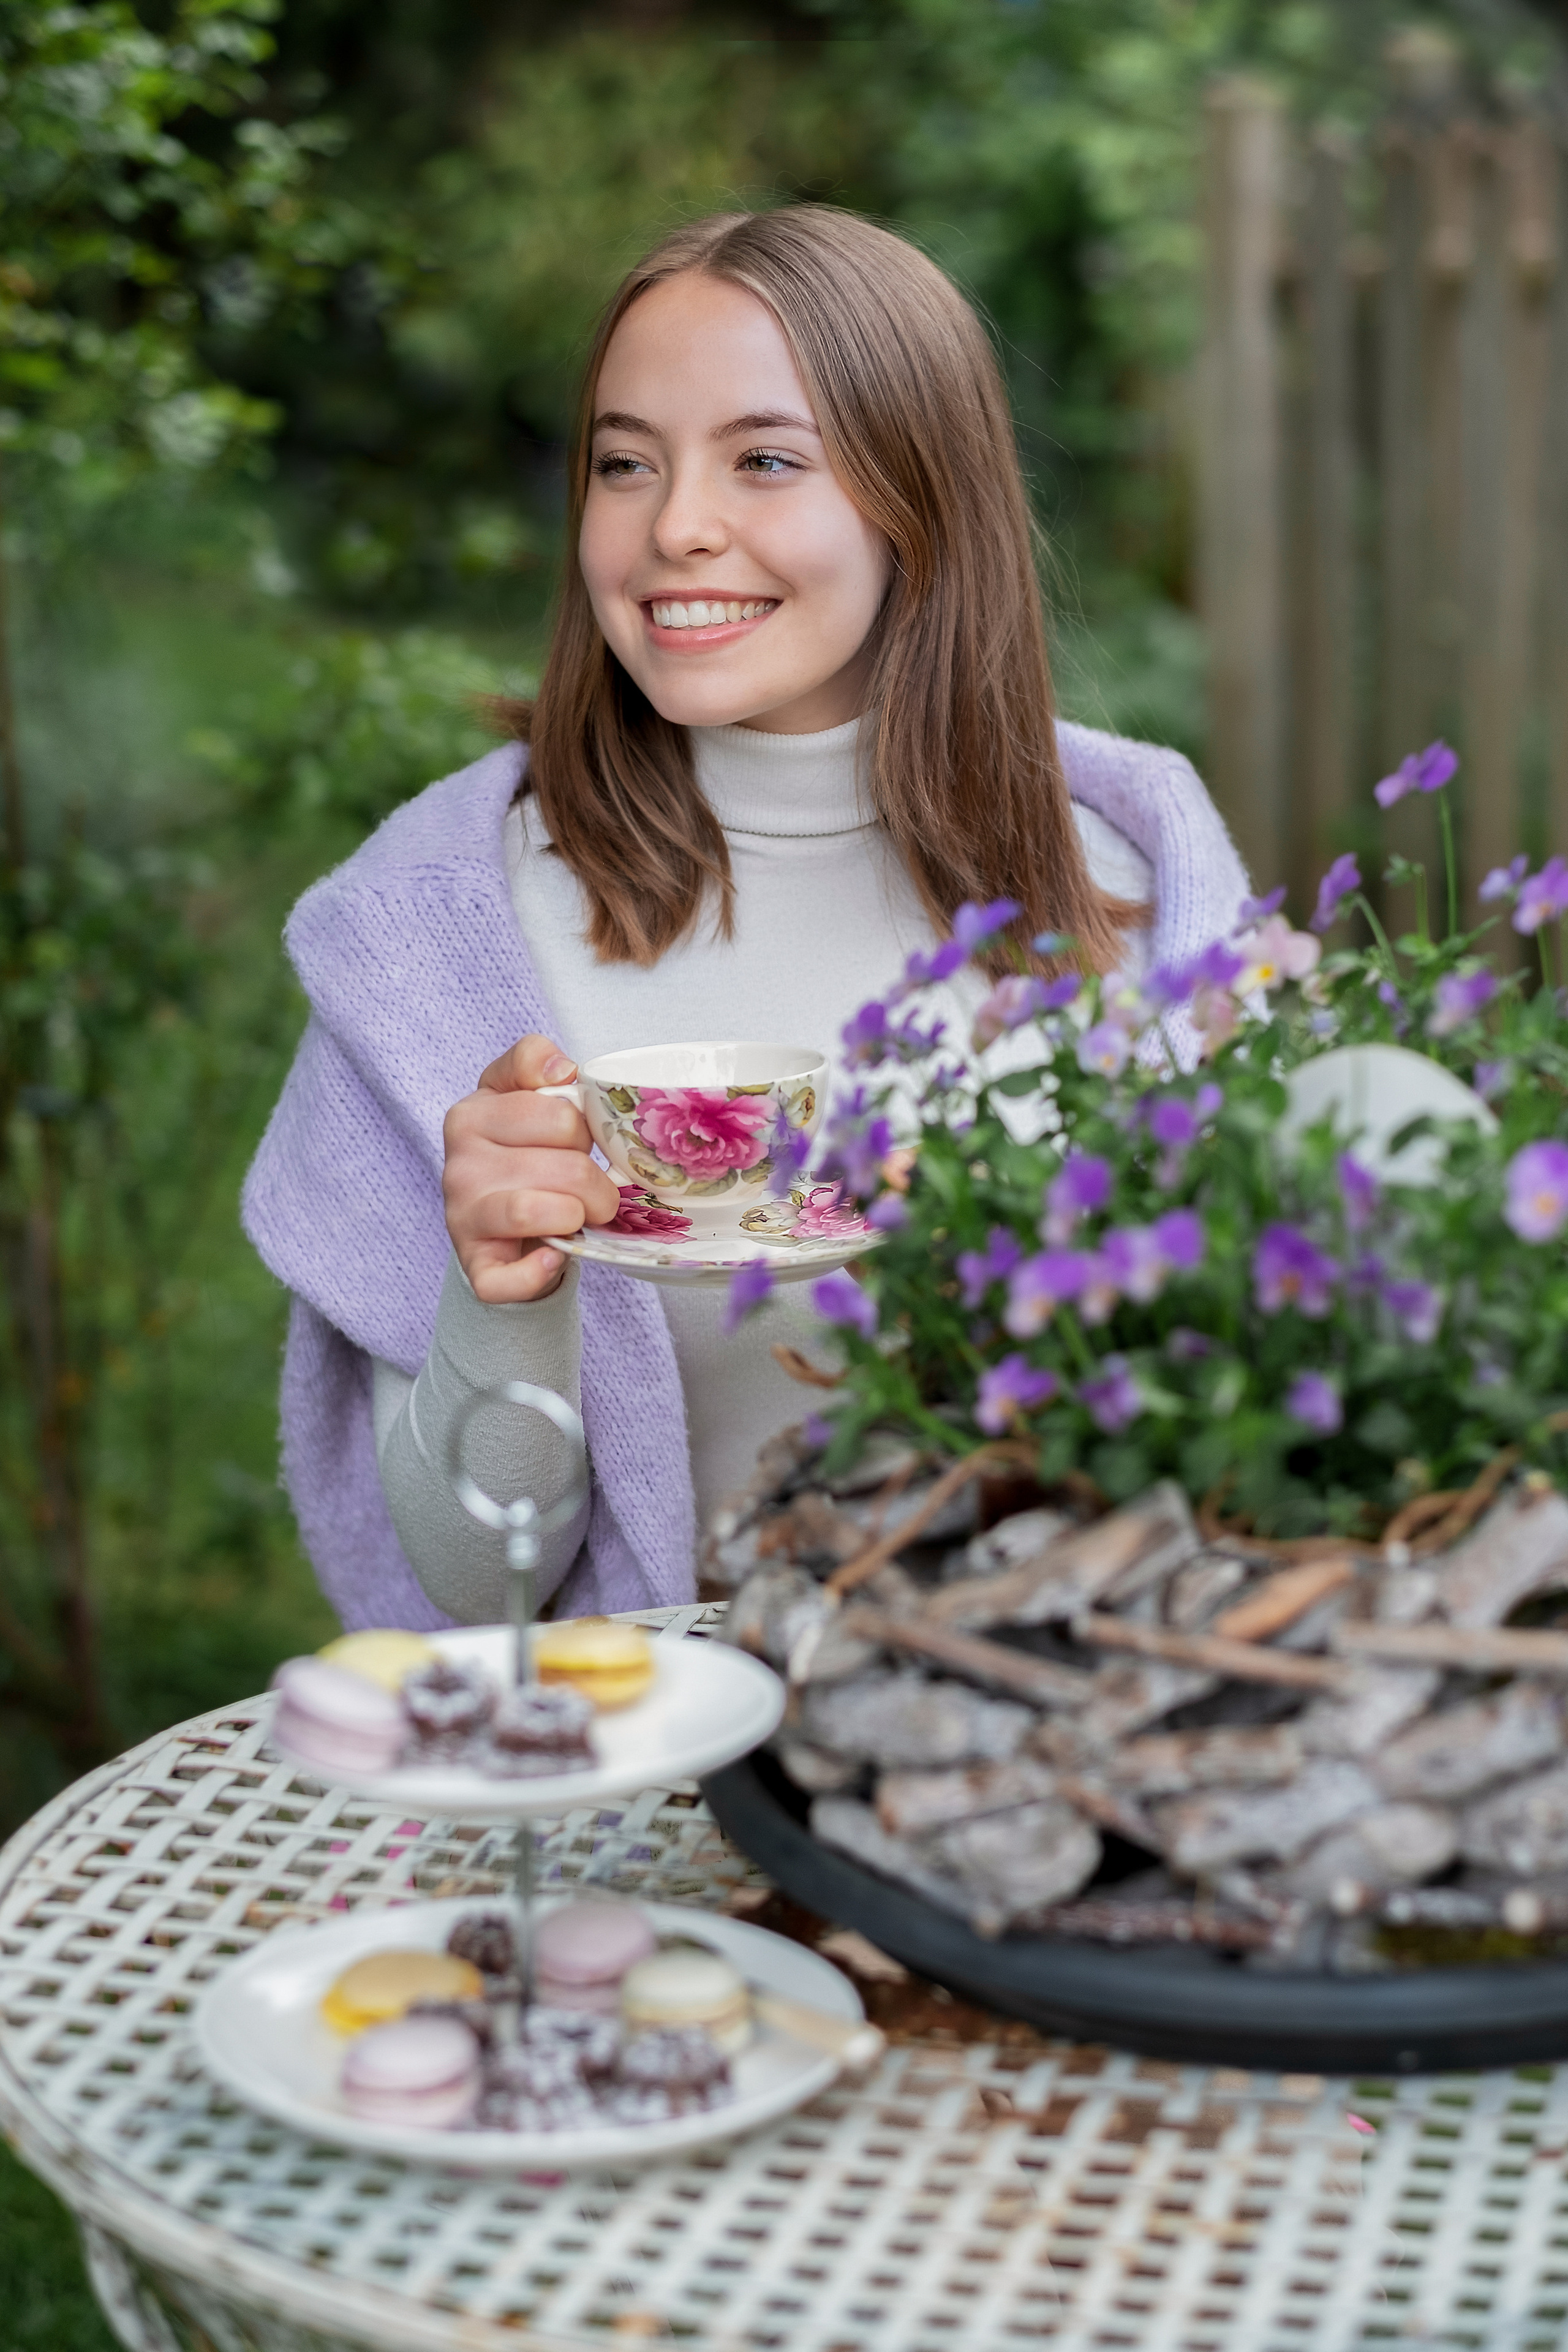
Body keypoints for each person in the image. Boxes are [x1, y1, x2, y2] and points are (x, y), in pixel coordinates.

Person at [243, 206, 1248, 1635]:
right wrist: (502, 1290)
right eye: (622, 463)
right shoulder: (449, 953)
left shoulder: (1147, 928)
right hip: (631, 1803)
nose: (673, 528)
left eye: (764, 460)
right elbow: (468, 1589)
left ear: (923, 498)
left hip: (1035, 1789)